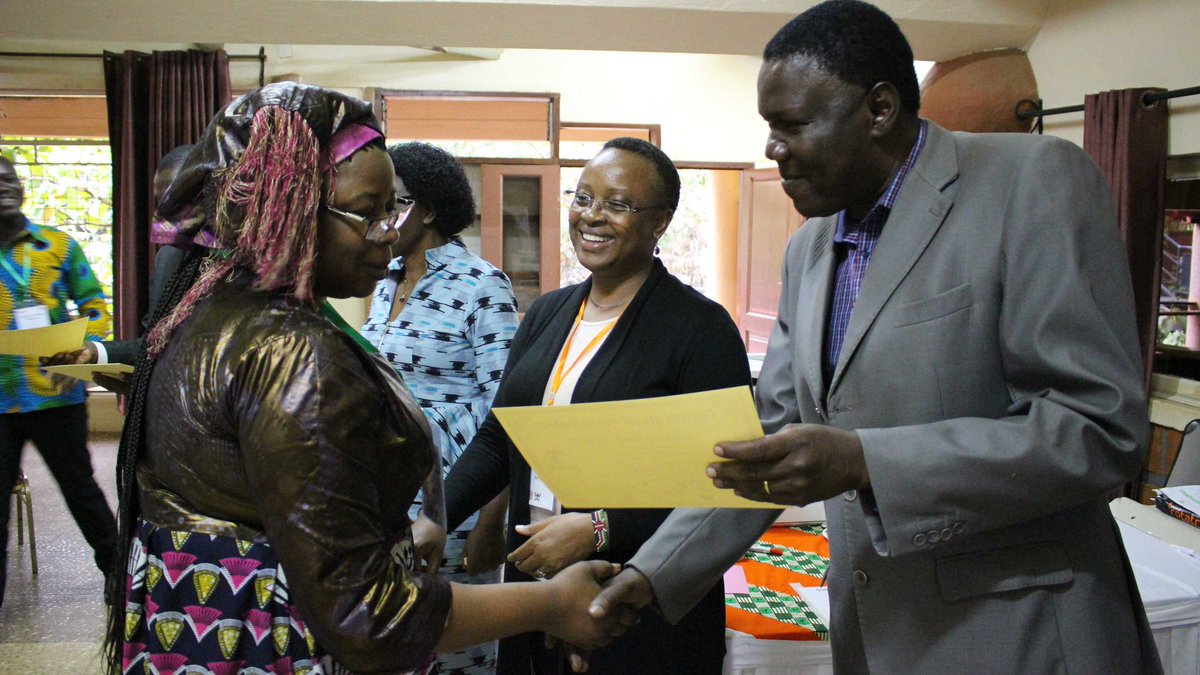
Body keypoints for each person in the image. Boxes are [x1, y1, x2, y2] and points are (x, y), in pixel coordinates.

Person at [589, 2, 1163, 673]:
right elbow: (767, 442)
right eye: (769, 128)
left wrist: (867, 461)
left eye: (793, 124)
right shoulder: (808, 251)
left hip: (1022, 634)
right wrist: (651, 573)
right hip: (877, 633)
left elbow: (1100, 429)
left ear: (880, 109)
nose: (773, 149)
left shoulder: (1031, 182)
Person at [105, 82, 626, 675]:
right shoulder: (294, 354)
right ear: (289, 206)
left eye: (392, 209)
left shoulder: (207, 307)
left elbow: (495, 411)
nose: (387, 230)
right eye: (367, 211)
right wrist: (552, 603)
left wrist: (453, 514)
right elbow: (369, 618)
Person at [444, 137, 752, 674]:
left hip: (637, 598)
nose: (592, 216)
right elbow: (501, 438)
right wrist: (433, 517)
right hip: (534, 583)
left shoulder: (699, 329)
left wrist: (599, 528)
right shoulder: (547, 314)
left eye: (617, 204)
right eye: (583, 197)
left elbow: (725, 482)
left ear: (661, 222)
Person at [360, 141, 518, 674]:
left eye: (394, 202)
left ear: (428, 209)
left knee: (453, 642)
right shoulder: (385, 281)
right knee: (397, 635)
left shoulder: (481, 284)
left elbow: (507, 409)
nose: (383, 217)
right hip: (386, 492)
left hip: (455, 496)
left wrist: (490, 519)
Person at [0, 154, 117, 609]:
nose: (5, 186)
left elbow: (95, 307)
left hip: (56, 396)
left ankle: (118, 577)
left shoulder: (58, 246)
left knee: (81, 491)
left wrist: (78, 358)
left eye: (11, 178)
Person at [42, 144, 195, 393]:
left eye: (176, 201)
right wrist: (95, 352)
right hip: (168, 412)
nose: (166, 216)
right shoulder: (169, 257)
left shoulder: (257, 259)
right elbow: (153, 341)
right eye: (161, 204)